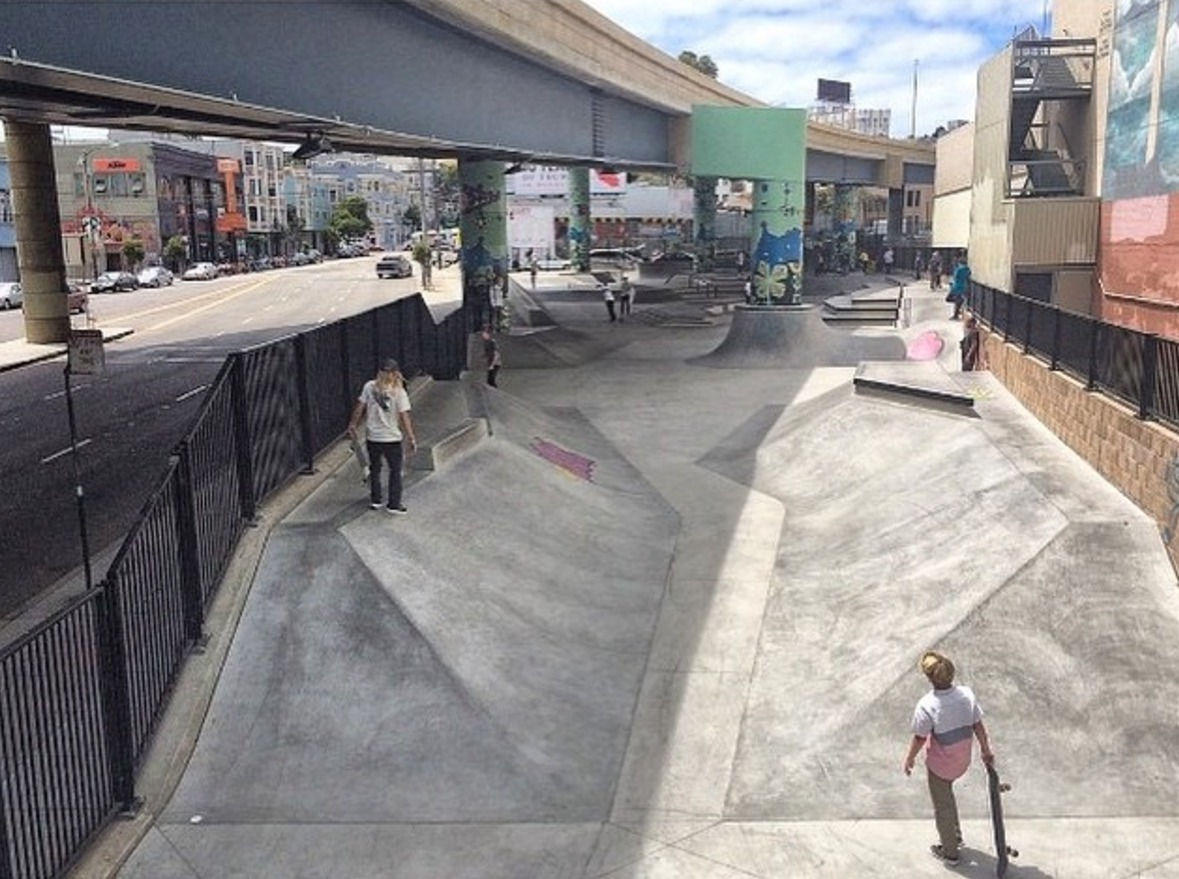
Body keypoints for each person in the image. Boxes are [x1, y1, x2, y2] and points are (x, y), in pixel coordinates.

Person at [903, 651, 994, 867]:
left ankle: (950, 851)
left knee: (942, 806)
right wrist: (985, 749)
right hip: (962, 760)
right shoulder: (966, 695)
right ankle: (956, 835)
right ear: (952, 673)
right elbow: (978, 725)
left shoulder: (927, 704)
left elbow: (919, 737)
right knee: (947, 795)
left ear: (929, 678)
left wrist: (909, 758)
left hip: (940, 766)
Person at [348, 358, 417, 514]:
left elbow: (360, 408)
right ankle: (394, 503)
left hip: (373, 437)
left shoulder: (369, 387)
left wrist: (353, 424)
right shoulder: (399, 392)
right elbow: (404, 416)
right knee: (395, 471)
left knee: (375, 468)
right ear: (396, 373)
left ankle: (376, 500)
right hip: (392, 438)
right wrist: (411, 436)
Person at [948, 254, 971, 319]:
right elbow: (968, 276)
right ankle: (958, 311)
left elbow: (955, 278)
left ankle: (956, 314)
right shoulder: (967, 269)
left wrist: (952, 285)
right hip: (964, 286)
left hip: (957, 287)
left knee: (955, 300)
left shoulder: (958, 270)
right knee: (958, 300)